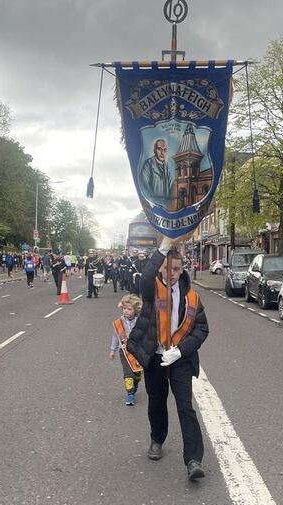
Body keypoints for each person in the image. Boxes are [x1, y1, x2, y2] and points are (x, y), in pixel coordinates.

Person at [127, 239, 209, 480]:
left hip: (180, 358)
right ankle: (157, 439)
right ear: (160, 269)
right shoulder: (150, 290)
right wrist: (163, 248)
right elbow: (144, 277)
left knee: (185, 406)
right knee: (156, 401)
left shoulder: (192, 298)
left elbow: (202, 329)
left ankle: (193, 459)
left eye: (175, 269)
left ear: (182, 269)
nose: (170, 274)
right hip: (155, 356)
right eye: (166, 269)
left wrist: (182, 350)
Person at [109, 294, 144, 406]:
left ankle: (136, 381)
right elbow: (115, 336)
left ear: (135, 310)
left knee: (137, 373)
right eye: (124, 308)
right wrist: (112, 350)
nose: (126, 311)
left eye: (129, 309)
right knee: (128, 373)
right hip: (124, 351)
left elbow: (146, 312)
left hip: (138, 350)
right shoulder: (119, 322)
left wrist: (138, 306)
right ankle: (130, 394)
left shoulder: (140, 320)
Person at [139, 138, 174, 207]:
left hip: (166, 205)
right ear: (155, 150)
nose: (162, 153)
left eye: (164, 150)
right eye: (159, 149)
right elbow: (144, 185)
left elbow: (170, 188)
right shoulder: (148, 164)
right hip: (154, 204)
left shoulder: (166, 167)